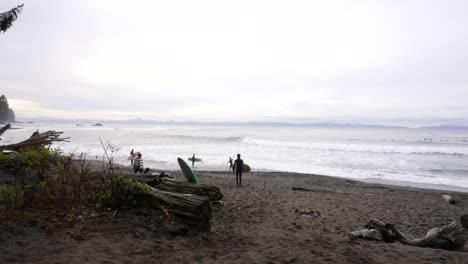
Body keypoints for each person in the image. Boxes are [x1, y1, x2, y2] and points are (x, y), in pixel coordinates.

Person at [348, 215, 468, 251]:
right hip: (436, 236)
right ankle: (390, 227)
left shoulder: (456, 224)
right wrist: (450, 240)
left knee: (409, 239)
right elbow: (455, 242)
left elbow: (441, 230)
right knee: (410, 242)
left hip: (435, 233)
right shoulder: (461, 229)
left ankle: (378, 223)